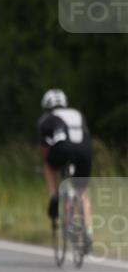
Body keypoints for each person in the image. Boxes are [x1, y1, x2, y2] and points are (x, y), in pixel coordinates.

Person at [38, 88, 93, 253]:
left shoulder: (47, 119)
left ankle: (55, 195)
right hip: (85, 150)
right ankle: (89, 233)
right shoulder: (78, 113)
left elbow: (45, 149)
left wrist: (50, 162)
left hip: (62, 149)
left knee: (48, 165)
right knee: (82, 192)